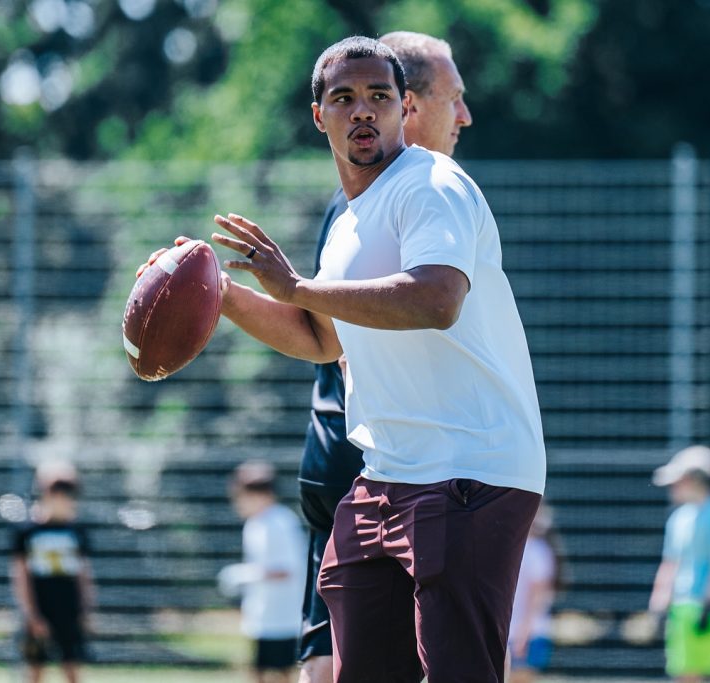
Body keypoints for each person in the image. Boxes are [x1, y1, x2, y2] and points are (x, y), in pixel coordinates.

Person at [137, 35, 545, 682]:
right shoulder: (352, 221)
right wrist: (222, 295)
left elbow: (437, 298)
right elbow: (323, 338)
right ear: (318, 115)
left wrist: (297, 285)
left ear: (403, 107)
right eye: (344, 98)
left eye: (379, 96)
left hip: (471, 470)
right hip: (386, 477)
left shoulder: (432, 183)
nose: (363, 111)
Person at [295, 30, 472, 683]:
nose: (466, 116)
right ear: (415, 107)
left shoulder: (359, 206)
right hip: (387, 470)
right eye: (455, 98)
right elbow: (338, 339)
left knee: (330, 661)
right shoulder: (415, 197)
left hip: (342, 464)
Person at [648, 445, 710, 683]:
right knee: (685, 672)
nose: (672, 488)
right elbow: (670, 564)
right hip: (683, 608)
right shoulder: (678, 518)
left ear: (694, 479)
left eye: (677, 481)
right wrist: (659, 603)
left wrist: (709, 603)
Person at [218, 461, 308, 683]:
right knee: (258, 670)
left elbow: (288, 570)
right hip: (262, 613)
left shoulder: (282, 522)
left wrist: (247, 575)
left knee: (283, 672)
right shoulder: (255, 524)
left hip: (282, 615)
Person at [10, 461, 95, 683]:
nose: (63, 497)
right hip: (40, 605)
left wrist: (86, 608)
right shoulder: (28, 531)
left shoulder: (76, 530)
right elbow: (21, 574)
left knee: (71, 666)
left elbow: (84, 572)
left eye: (68, 491)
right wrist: (31, 613)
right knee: (36, 668)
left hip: (68, 607)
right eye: (57, 490)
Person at [509, 504, 562, 683]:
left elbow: (539, 595)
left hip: (526, 633)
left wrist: (524, 631)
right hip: (514, 631)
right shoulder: (520, 548)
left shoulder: (536, 549)